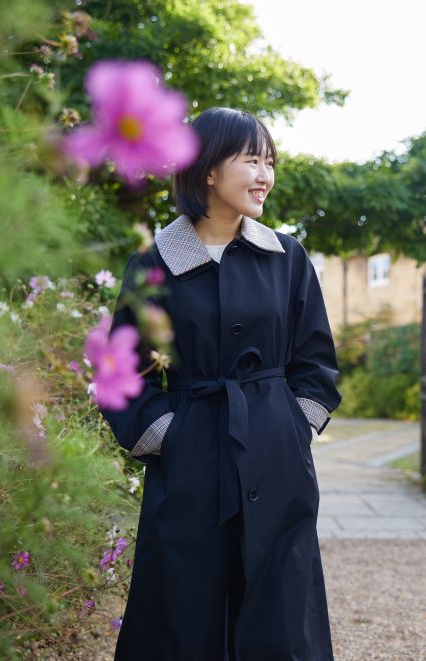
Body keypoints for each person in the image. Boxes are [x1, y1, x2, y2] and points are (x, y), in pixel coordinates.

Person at [100, 107, 341, 660]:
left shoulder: (287, 258)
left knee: (279, 610)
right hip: (190, 463)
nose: (265, 175)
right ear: (208, 169)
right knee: (184, 612)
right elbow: (123, 372)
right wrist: (171, 437)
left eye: (270, 161)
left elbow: (317, 362)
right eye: (251, 160)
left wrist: (291, 426)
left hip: (276, 460)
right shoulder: (154, 263)